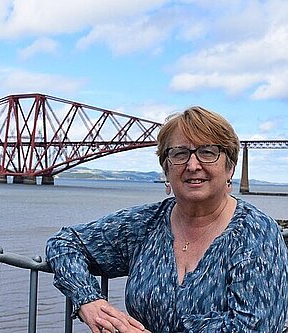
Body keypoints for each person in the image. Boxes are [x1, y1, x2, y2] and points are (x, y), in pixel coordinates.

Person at [46, 106, 288, 332]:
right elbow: (64, 243)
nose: (193, 165)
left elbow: (256, 326)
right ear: (166, 168)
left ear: (230, 167)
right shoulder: (144, 224)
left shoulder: (257, 233)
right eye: (180, 154)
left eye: (207, 152)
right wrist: (88, 300)